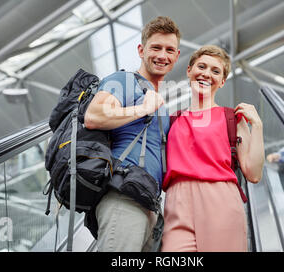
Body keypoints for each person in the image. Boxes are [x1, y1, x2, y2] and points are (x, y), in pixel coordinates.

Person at [84, 16, 181, 252]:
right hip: (123, 196)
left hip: (148, 203)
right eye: (156, 48)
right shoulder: (125, 81)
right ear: (141, 50)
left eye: (169, 50)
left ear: (177, 56)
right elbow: (93, 116)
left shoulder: (162, 107)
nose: (162, 55)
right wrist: (143, 109)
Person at [160, 45, 265, 252]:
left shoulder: (232, 118)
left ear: (223, 81)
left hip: (220, 199)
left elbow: (253, 173)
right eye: (202, 66)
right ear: (189, 70)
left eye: (215, 71)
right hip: (176, 201)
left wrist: (258, 126)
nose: (207, 74)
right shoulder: (171, 121)